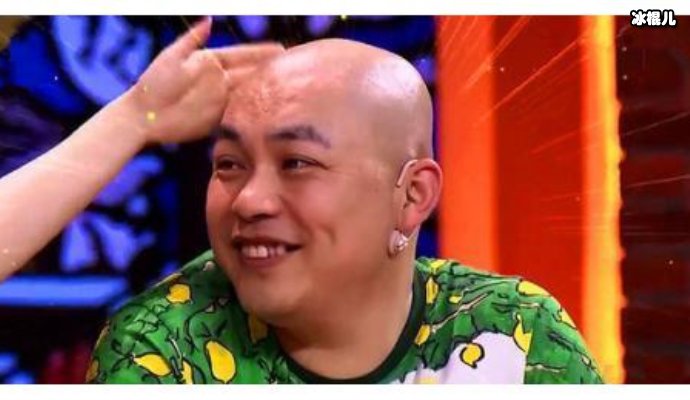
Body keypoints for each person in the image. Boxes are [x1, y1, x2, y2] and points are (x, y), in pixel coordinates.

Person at [0, 18, 602, 384]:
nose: (250, 200)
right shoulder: (163, 343)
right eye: (229, 164)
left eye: (297, 163)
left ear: (413, 195)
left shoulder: (516, 331)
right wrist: (137, 116)